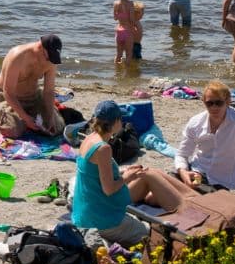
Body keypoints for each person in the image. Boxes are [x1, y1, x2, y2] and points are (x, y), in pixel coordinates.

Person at [73, 100, 193, 248]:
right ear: (115, 121)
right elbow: (109, 189)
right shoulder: (103, 148)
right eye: (121, 119)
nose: (123, 123)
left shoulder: (89, 139)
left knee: (147, 172)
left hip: (86, 213)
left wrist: (124, 170)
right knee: (154, 236)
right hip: (102, 220)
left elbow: (95, 172)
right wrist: (127, 177)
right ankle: (191, 212)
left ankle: (192, 200)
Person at [174, 80, 235, 190]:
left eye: (218, 103)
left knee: (187, 195)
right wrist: (183, 172)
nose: (214, 107)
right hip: (196, 173)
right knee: (156, 191)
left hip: (220, 184)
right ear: (204, 102)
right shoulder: (196, 122)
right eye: (209, 103)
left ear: (228, 101)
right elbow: (182, 154)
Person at [0, 35, 64, 139]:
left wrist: (49, 117)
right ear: (40, 47)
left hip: (33, 96)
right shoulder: (18, 56)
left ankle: (35, 118)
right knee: (11, 131)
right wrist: (25, 118)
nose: (49, 60)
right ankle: (20, 118)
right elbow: (8, 92)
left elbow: (48, 91)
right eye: (48, 57)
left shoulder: (51, 60)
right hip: (9, 97)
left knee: (56, 127)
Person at [113, 0, 142, 64]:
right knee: (129, 54)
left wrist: (122, 16)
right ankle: (127, 74)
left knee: (119, 54)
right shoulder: (130, 4)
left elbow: (115, 18)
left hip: (118, 31)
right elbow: (132, 19)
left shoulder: (115, 3)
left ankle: (116, 71)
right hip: (128, 32)